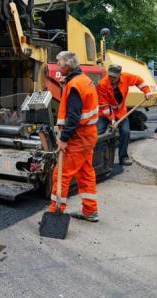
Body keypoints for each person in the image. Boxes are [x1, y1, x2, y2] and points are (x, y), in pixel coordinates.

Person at [50, 51, 100, 223]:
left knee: (61, 174)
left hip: (78, 137)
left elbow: (73, 117)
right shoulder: (82, 80)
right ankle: (90, 210)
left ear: (67, 66)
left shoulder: (74, 86)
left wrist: (63, 139)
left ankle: (56, 213)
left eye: (59, 64)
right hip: (88, 135)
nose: (57, 67)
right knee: (85, 172)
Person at [96, 64, 154, 166]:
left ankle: (123, 157)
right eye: (110, 76)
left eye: (114, 77)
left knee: (126, 132)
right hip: (105, 112)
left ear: (119, 75)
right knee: (99, 134)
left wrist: (147, 91)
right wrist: (112, 120)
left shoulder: (126, 77)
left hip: (121, 111)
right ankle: (99, 159)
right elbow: (104, 105)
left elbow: (139, 81)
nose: (111, 78)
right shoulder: (102, 84)